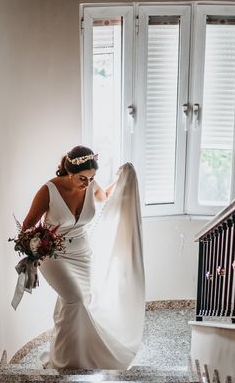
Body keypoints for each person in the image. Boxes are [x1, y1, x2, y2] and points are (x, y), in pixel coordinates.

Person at [21, 146, 145, 369]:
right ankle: (63, 362)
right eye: (82, 178)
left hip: (82, 255)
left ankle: (69, 353)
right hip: (53, 255)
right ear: (69, 172)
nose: (87, 184)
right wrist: (37, 247)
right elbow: (28, 225)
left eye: (91, 178)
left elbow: (104, 196)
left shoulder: (89, 184)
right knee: (75, 300)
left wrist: (120, 179)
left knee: (75, 304)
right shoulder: (48, 190)